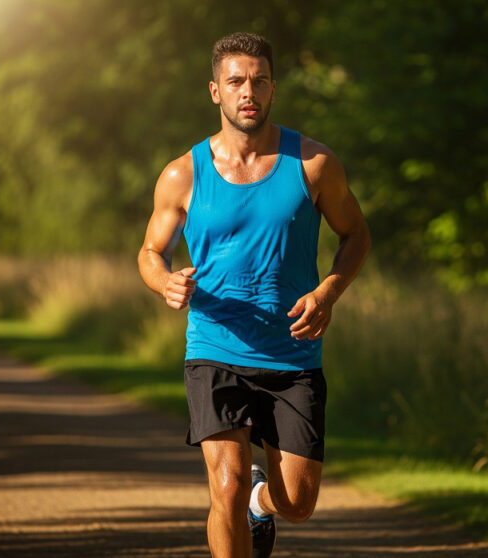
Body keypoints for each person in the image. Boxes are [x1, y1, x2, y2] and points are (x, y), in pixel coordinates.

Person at [137, 32, 370, 558]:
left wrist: (328, 292)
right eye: (236, 81)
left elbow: (357, 235)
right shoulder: (182, 174)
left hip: (293, 355)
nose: (249, 91)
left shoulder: (313, 164)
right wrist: (164, 280)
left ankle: (261, 505)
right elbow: (150, 252)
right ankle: (244, 500)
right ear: (215, 91)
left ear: (273, 89)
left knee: (298, 503)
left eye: (260, 81)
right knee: (227, 486)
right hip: (214, 349)